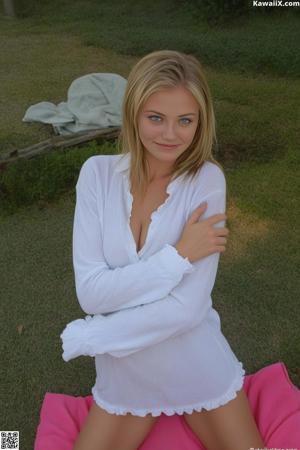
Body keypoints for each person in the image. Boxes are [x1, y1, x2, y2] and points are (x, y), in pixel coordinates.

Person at [60, 50, 266, 450]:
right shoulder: (96, 175)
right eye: (156, 118)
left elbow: (188, 309)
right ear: (133, 113)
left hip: (195, 365)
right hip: (124, 374)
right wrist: (178, 257)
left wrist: (95, 333)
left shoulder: (206, 179)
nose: (170, 134)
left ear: (199, 121)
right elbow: (90, 292)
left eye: (185, 120)